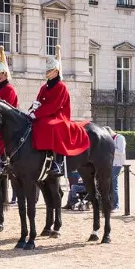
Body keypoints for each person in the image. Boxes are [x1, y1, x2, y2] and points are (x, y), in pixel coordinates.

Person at [28, 45, 84, 178]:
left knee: (51, 126)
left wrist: (37, 113)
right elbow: (38, 101)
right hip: (44, 114)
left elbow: (55, 106)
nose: (47, 72)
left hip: (58, 116)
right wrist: (32, 110)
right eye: (47, 70)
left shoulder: (61, 87)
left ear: (56, 71)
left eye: (50, 70)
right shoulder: (44, 87)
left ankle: (57, 161)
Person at [104, 126, 126, 211]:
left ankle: (116, 205)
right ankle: (109, 203)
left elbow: (121, 151)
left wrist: (109, 149)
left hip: (117, 163)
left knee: (113, 184)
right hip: (108, 163)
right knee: (108, 184)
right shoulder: (109, 139)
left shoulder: (120, 138)